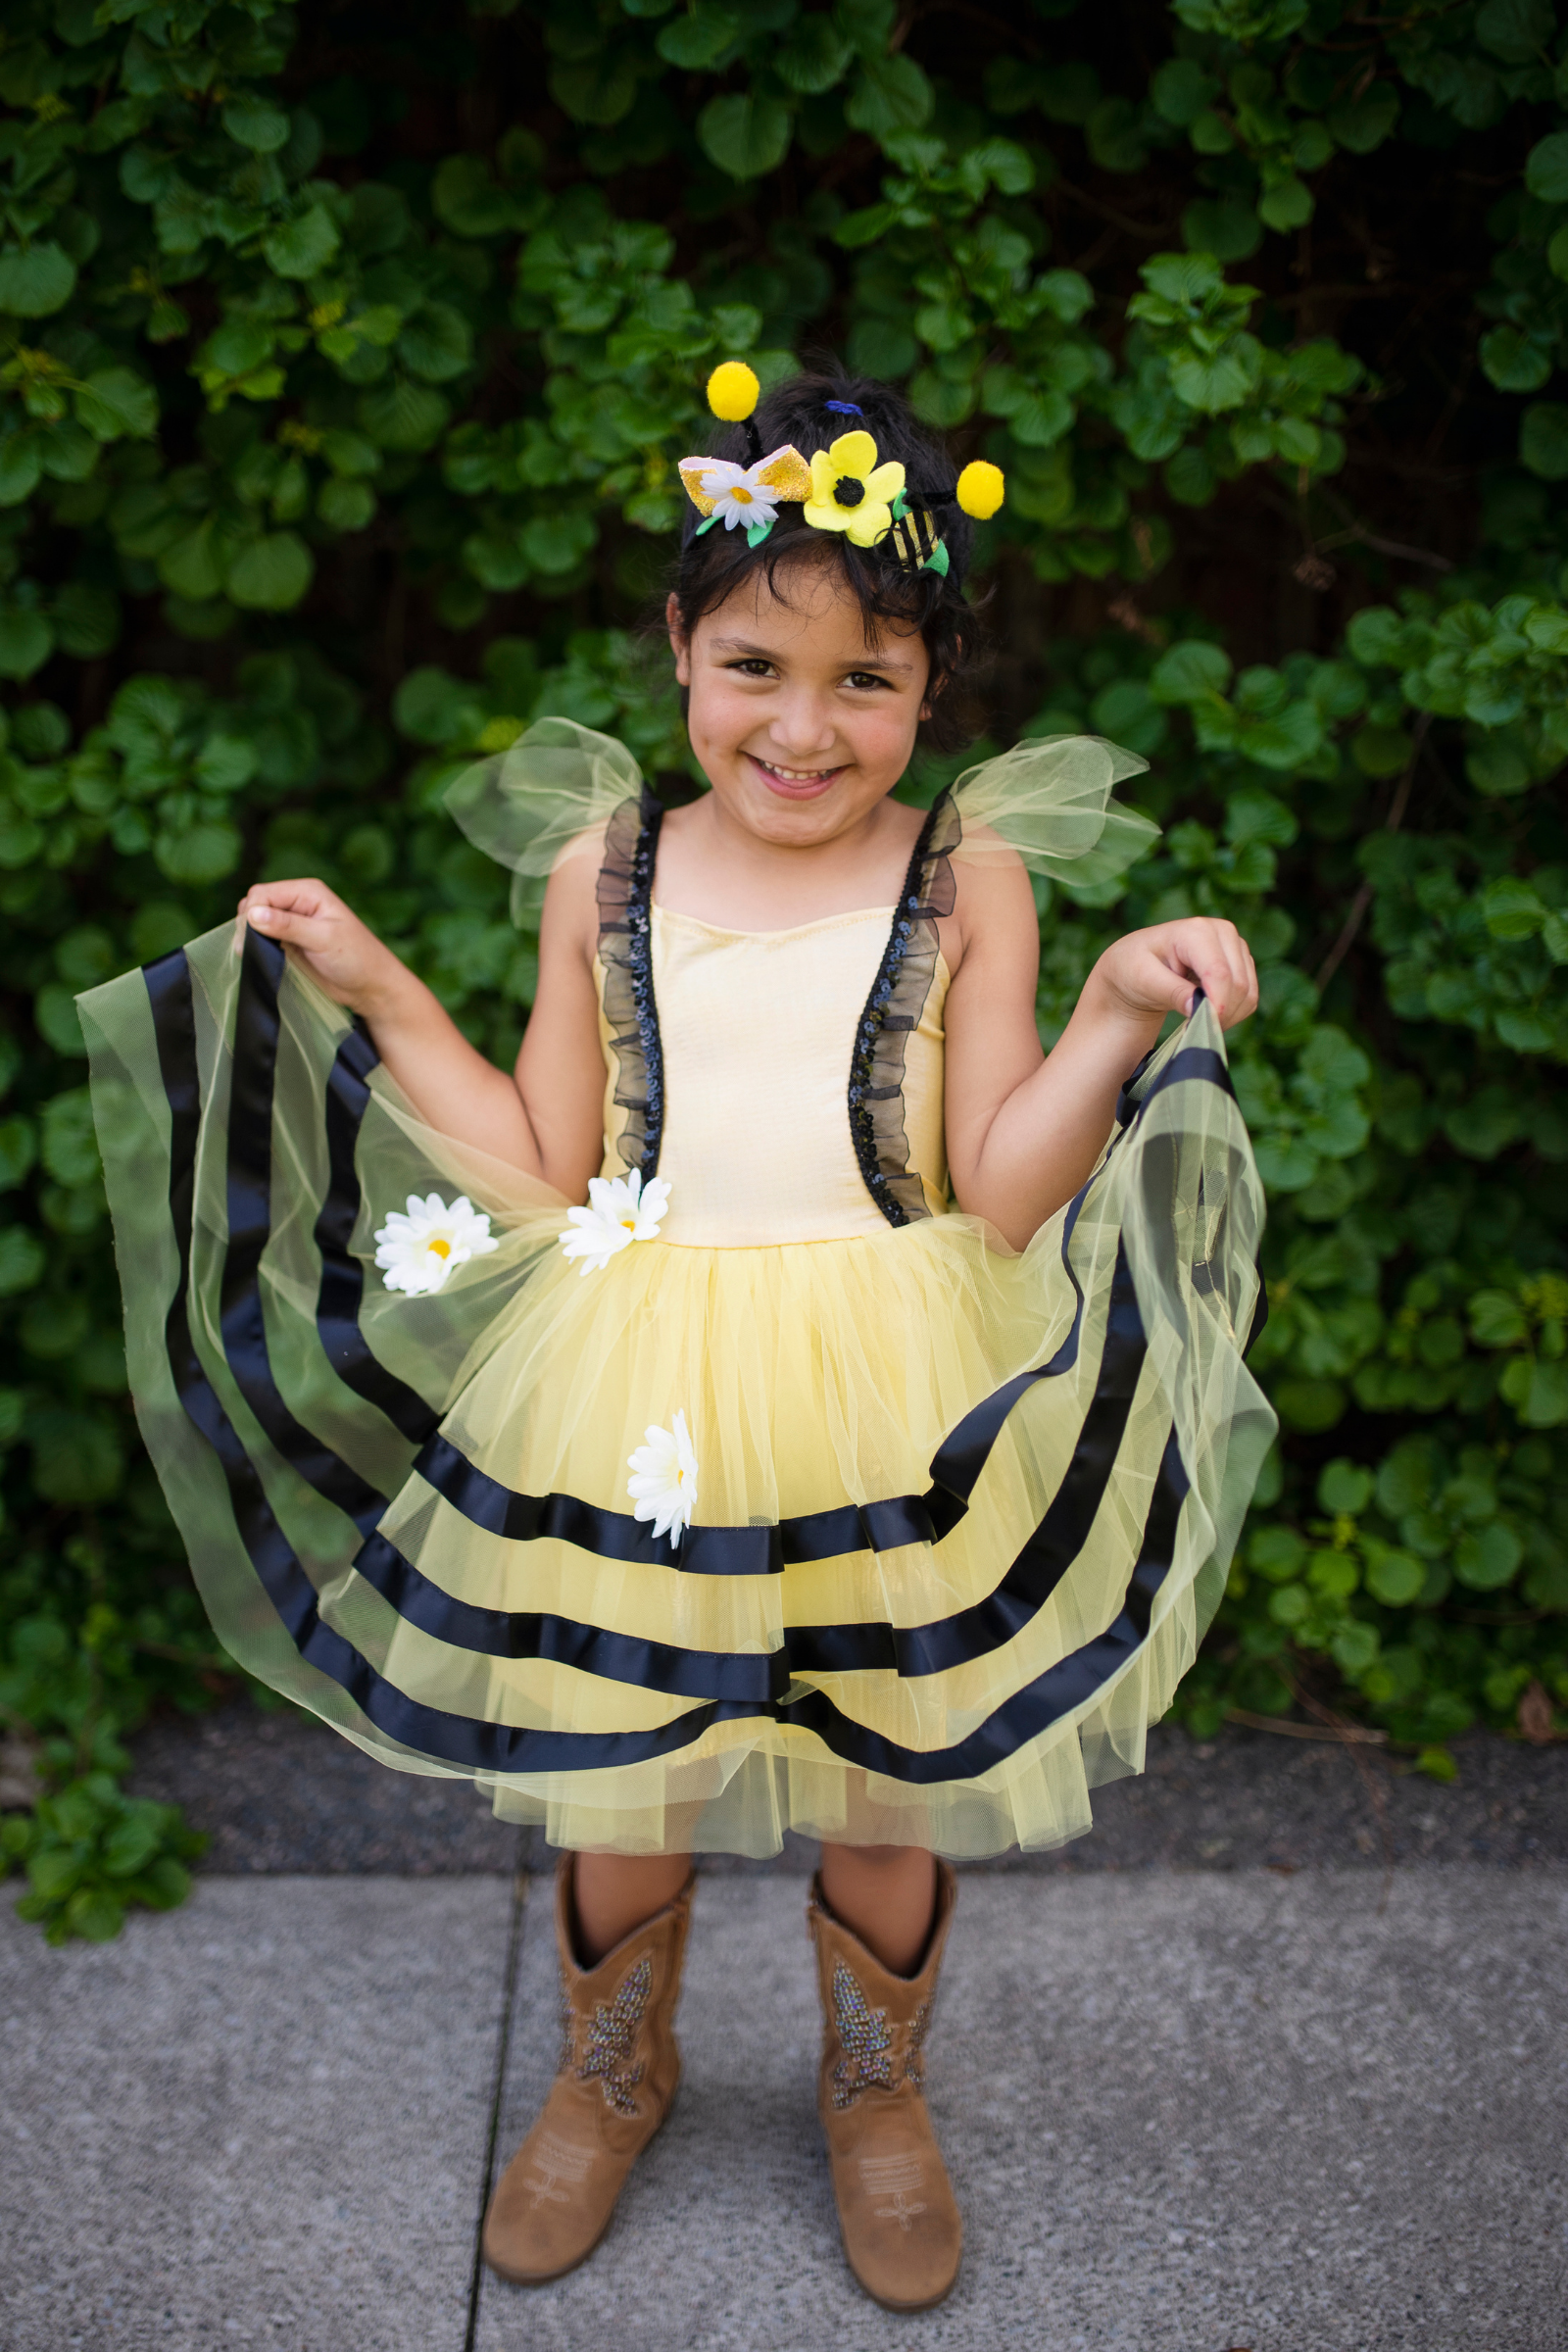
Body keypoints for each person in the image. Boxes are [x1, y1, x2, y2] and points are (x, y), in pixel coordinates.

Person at [80, 364, 1274, 2315]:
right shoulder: (604, 869)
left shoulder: (957, 874)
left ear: (926, 695)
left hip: (890, 1383)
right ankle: (608, 2067)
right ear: (676, 651)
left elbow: (996, 1191)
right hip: (639, 1380)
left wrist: (1116, 1019)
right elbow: (549, 1163)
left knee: (883, 1774)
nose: (802, 730)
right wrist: (376, 983)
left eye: (863, 683)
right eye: (752, 668)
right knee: (621, 1781)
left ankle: (871, 2092)